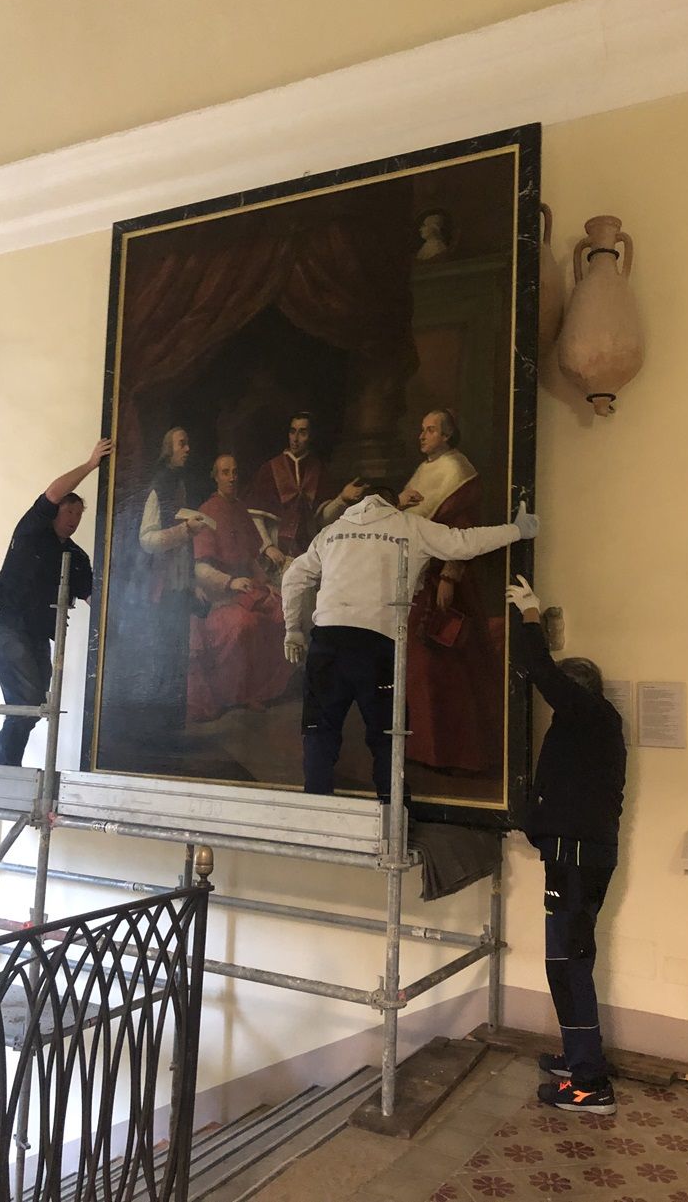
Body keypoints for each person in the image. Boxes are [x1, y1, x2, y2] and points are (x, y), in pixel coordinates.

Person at [282, 491, 539, 802]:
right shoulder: (409, 526)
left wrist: (293, 630)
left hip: (328, 642)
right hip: (376, 645)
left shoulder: (333, 532)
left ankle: (315, 809)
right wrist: (518, 530)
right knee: (387, 738)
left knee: (318, 732)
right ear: (394, 504)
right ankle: (392, 813)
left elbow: (293, 577)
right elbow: (465, 543)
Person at [505, 574, 626, 1116]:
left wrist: (530, 614)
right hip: (572, 855)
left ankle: (590, 1084)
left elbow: (542, 672)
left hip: (577, 858)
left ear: (579, 692)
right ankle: (579, 1056)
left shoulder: (589, 715)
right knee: (568, 960)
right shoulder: (586, 727)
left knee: (569, 963)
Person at [0, 438, 113, 766]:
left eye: (79, 514)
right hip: (6, 620)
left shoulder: (76, 557)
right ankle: (4, 768)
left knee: (36, 703)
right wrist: (91, 464)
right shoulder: (33, 530)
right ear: (56, 511)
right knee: (26, 700)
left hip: (37, 630)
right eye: (69, 511)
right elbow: (53, 492)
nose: (74, 519)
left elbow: (91, 596)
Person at [397, 408, 502, 775]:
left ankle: (456, 752)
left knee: (445, 662)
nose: (422, 435)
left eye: (430, 430)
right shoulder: (424, 469)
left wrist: (450, 576)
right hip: (420, 576)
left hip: (444, 580)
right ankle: (423, 748)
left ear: (446, 435)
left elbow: (463, 530)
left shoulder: (457, 470)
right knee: (419, 667)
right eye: (422, 429)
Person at [187, 454, 294, 720]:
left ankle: (265, 690)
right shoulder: (206, 512)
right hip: (220, 598)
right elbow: (201, 569)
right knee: (246, 624)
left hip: (248, 590)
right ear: (215, 477)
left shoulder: (241, 509)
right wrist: (230, 582)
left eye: (235, 472)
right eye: (225, 472)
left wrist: (267, 584)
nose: (232, 477)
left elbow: (252, 559)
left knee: (283, 612)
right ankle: (239, 694)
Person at [137, 427, 209, 728]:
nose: (187, 449)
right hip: (162, 591)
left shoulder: (180, 485)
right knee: (162, 659)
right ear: (169, 449)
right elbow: (147, 540)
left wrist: (192, 584)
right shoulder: (159, 488)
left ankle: (173, 727)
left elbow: (185, 551)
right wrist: (184, 531)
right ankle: (158, 727)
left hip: (179, 591)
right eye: (182, 444)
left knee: (178, 659)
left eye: (188, 443)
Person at [244, 411, 366, 562]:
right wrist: (268, 547)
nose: (295, 439)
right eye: (292, 431)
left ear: (311, 436)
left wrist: (342, 498)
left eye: (302, 433)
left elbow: (322, 521)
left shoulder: (319, 470)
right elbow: (255, 516)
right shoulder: (270, 469)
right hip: (277, 553)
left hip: (310, 550)